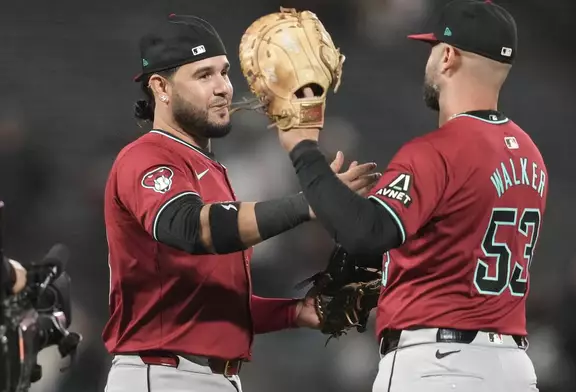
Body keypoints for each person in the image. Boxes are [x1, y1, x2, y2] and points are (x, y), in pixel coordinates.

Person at [278, 1, 546, 391]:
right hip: (513, 368)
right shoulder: (530, 155)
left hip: (438, 366)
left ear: (449, 57)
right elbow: (452, 238)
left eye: (433, 50)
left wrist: (302, 150)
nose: (430, 60)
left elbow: (366, 233)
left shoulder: (437, 151)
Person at [102, 14, 378, 392]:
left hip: (210, 376)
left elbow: (207, 305)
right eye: (203, 75)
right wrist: (307, 204)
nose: (222, 88)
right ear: (161, 87)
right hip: (164, 374)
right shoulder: (147, 156)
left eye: (224, 72)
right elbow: (189, 227)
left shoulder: (211, 170)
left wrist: (294, 312)